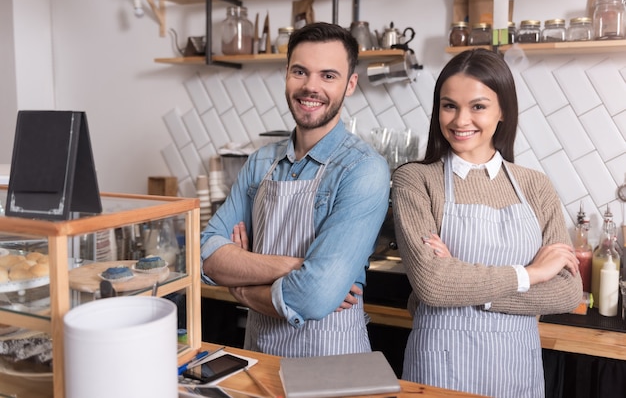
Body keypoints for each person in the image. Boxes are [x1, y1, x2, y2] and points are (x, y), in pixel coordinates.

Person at [392, 48, 582, 398]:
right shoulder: (415, 180)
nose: (460, 120)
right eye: (449, 106)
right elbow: (432, 284)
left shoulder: (534, 185)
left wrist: (465, 286)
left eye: (477, 106)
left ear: (503, 112)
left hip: (517, 369)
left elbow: (568, 292)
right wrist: (532, 274)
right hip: (439, 369)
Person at [200, 22, 390, 357]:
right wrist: (294, 266)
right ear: (286, 74)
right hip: (258, 359)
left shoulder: (363, 169)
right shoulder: (260, 162)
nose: (310, 87)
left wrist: (242, 285)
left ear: (350, 85)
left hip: (332, 366)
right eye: (300, 71)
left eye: (328, 75)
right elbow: (207, 257)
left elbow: (315, 296)